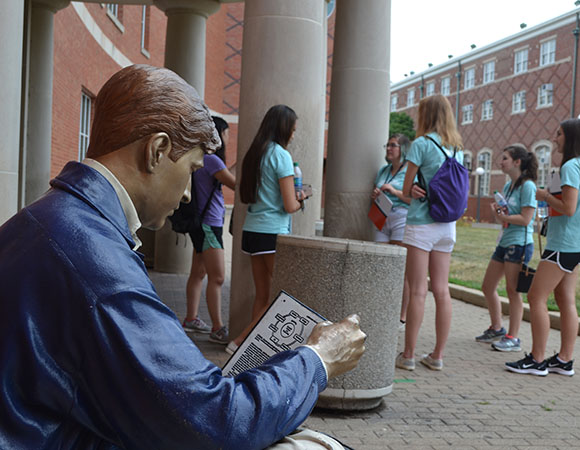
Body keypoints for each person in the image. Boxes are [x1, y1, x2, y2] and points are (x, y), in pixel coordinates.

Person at [0, 64, 366, 449]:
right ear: (157, 151)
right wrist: (318, 359)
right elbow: (218, 425)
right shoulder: (94, 260)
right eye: (192, 167)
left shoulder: (45, 218)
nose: (189, 192)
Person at [506, 118, 580, 376]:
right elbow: (569, 207)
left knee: (535, 297)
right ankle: (564, 360)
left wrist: (545, 197)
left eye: (558, 134)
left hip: (564, 244)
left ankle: (537, 359)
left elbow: (568, 207)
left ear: (570, 138)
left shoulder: (569, 167)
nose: (554, 138)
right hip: (577, 243)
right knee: (565, 299)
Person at [229, 104, 307, 354]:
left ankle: (249, 347)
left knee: (262, 296)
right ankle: (240, 342)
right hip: (272, 233)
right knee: (279, 296)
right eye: (292, 130)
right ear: (284, 129)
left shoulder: (256, 153)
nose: (293, 135)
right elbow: (289, 204)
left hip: (252, 231)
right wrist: (302, 198)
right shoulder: (281, 156)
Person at [395, 94, 463, 372]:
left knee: (418, 291)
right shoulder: (456, 147)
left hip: (422, 223)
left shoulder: (422, 144)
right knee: (442, 291)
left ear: (425, 115)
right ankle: (437, 355)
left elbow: (405, 190)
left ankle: (409, 355)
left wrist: (409, 191)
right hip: (448, 226)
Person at [475, 144, 538, 352]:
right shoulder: (510, 186)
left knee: (513, 291)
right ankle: (497, 328)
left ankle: (514, 337)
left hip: (519, 243)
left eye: (504, 158)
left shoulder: (527, 186)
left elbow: (527, 219)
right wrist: (499, 215)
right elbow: (507, 218)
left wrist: (504, 217)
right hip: (505, 241)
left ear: (517, 162)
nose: (500, 162)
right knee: (488, 286)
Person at [183, 116, 236, 344]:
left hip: (200, 223)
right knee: (218, 277)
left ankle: (191, 318)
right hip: (209, 224)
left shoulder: (203, 157)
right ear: (218, 134)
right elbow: (235, 184)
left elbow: (224, 174)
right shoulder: (212, 160)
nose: (227, 137)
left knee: (198, 273)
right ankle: (217, 328)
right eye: (226, 133)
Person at [371, 133, 412, 326]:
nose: (388, 149)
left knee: (399, 267)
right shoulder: (383, 170)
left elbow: (413, 199)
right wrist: (377, 193)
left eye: (393, 145)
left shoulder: (409, 171)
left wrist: (394, 191)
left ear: (403, 149)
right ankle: (381, 308)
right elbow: (375, 190)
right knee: (382, 264)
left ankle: (401, 315)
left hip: (400, 216)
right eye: (387, 145)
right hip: (381, 216)